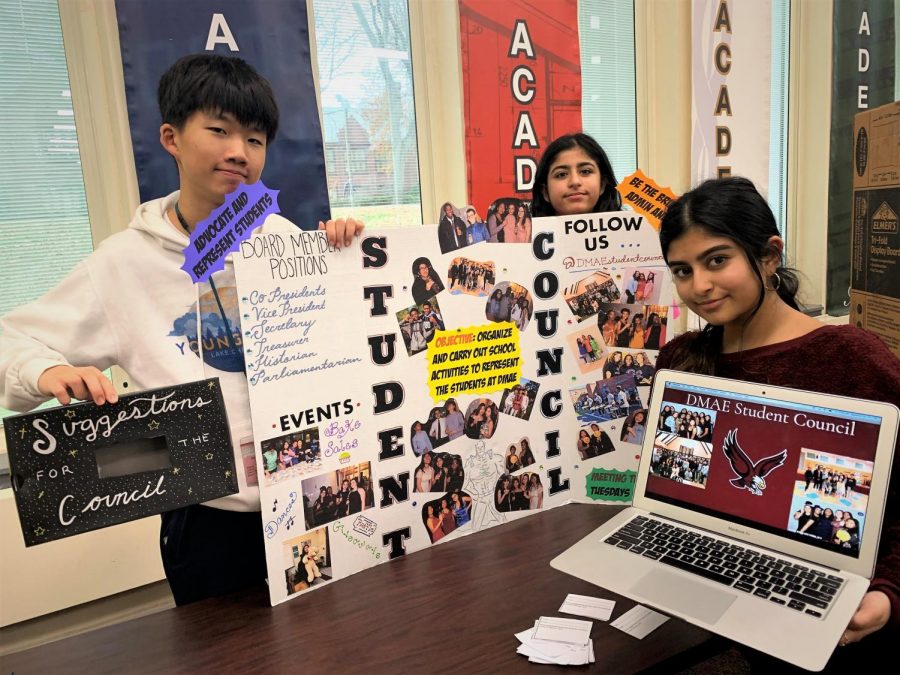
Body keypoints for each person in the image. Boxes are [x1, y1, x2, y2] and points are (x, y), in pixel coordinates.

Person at [0, 54, 363, 606]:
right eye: (218, 130)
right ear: (171, 137)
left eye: (256, 139)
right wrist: (46, 370)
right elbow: (11, 338)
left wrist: (353, 256)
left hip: (317, 500)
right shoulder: (122, 264)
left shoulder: (289, 242)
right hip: (211, 521)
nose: (239, 151)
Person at [655, 176, 900, 660]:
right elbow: (674, 485)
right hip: (716, 587)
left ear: (769, 256)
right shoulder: (680, 360)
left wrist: (889, 593)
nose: (698, 286)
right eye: (682, 270)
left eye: (717, 260)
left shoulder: (852, 358)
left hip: (837, 615)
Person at [531, 132, 621, 216]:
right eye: (561, 174)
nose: (575, 182)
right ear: (545, 192)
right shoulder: (525, 232)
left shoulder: (631, 231)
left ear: (602, 185)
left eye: (585, 171)